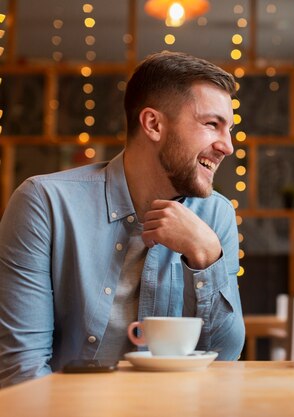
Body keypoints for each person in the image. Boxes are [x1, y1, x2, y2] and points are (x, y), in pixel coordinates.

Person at [0, 51, 245, 387]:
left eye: (228, 129)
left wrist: (206, 258)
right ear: (154, 124)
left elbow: (225, 357)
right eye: (211, 124)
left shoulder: (217, 215)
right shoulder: (44, 203)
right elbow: (22, 369)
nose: (227, 146)